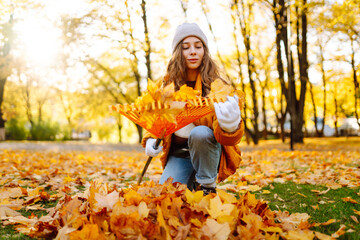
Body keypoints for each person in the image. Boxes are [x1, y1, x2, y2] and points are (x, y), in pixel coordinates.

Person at [142, 22, 244, 195]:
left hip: (208, 151)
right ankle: (192, 182)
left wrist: (230, 126)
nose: (193, 52)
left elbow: (229, 139)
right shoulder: (165, 86)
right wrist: (150, 140)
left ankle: (207, 186)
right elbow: (155, 118)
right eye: (186, 47)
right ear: (177, 52)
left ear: (204, 50)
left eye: (198, 46)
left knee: (200, 133)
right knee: (167, 194)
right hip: (180, 154)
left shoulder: (217, 86)